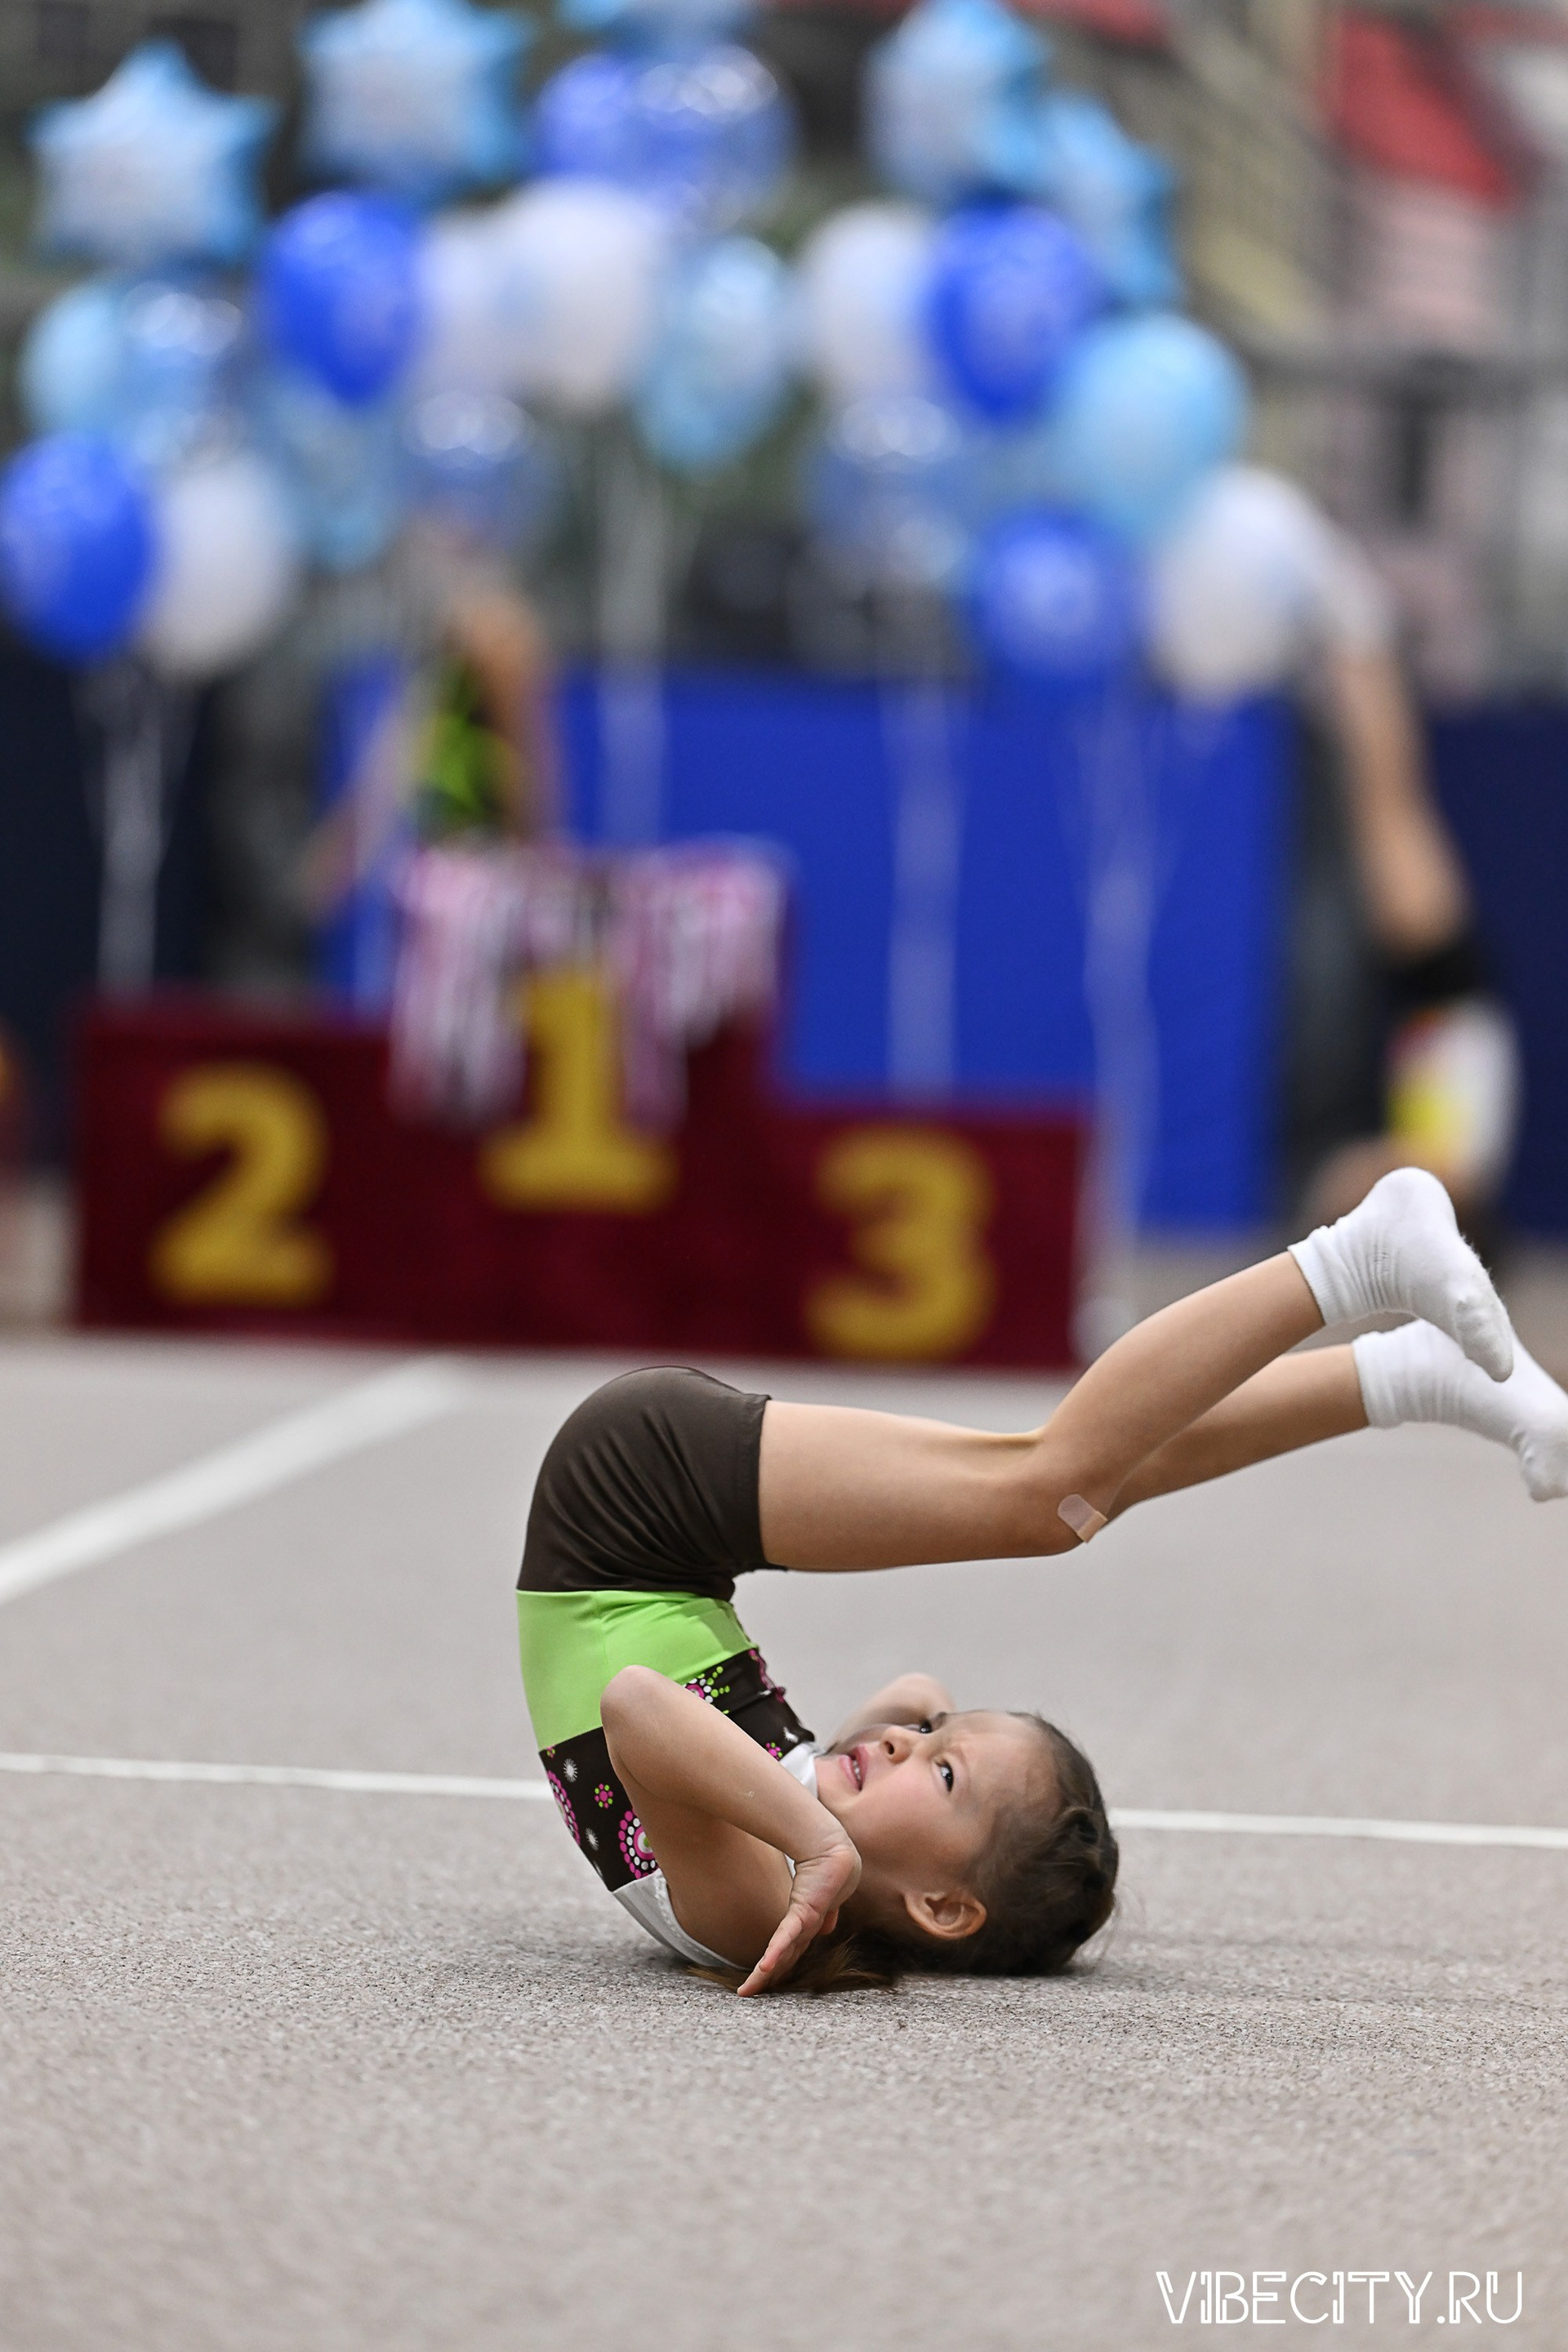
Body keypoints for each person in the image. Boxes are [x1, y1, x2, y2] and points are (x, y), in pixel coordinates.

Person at [518, 1169, 1568, 1995]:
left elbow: (636, 1705)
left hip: (628, 1507)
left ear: (940, 1907)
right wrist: (874, 1787)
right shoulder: (819, 1855)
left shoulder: (767, 1911)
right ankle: (1386, 1340)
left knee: (1051, 1495)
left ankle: (1382, 1315)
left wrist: (819, 1837)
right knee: (1059, 1494)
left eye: (941, 1774)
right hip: (649, 1515)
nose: (906, 1738)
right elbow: (915, 1690)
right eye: (937, 1744)